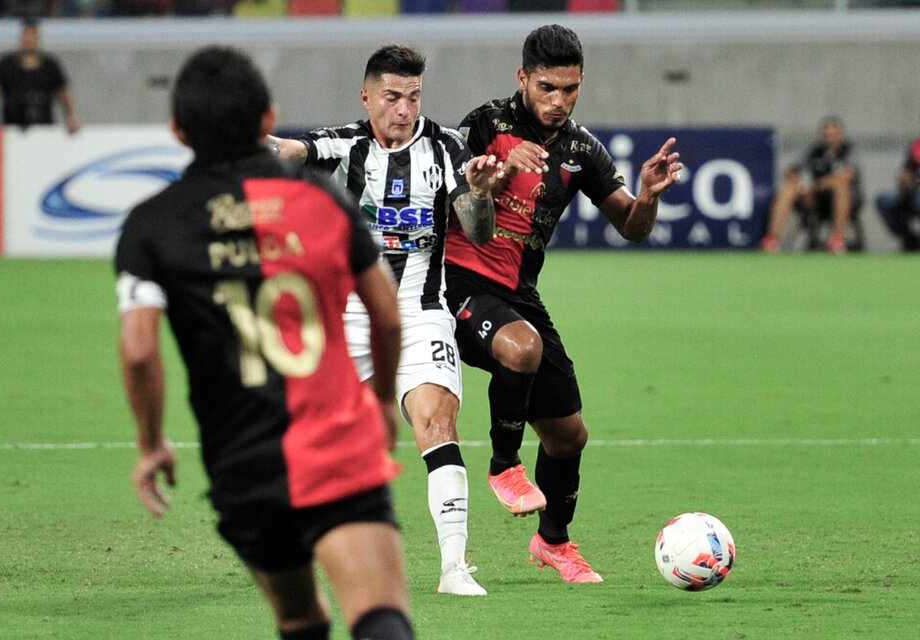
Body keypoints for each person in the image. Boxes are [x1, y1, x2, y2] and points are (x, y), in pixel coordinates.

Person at [115, 46, 415, 640]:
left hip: (243, 462)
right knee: (379, 616)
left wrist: (151, 442)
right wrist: (381, 400)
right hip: (336, 445)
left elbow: (139, 347)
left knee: (300, 619)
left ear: (178, 130)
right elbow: (386, 314)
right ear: (268, 119)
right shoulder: (323, 198)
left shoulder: (153, 223)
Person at [443, 24, 681, 584]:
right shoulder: (483, 126)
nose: (558, 101)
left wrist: (645, 196)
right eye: (547, 87)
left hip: (518, 292)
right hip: (457, 282)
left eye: (570, 90)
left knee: (569, 434)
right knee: (521, 349)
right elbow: (452, 207)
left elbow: (631, 227)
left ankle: (553, 541)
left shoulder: (581, 149)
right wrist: (489, 181)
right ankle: (504, 466)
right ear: (522, 78)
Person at [268, 44, 501, 596]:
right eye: (392, 96)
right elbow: (293, 150)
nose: (404, 108)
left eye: (414, 96)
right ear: (367, 96)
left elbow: (481, 231)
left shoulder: (448, 149)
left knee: (436, 421)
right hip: (347, 315)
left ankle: (453, 568)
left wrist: (483, 192)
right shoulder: (345, 144)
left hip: (420, 312)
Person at [760, 116, 861, 254]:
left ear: (841, 134)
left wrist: (816, 185)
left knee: (841, 186)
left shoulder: (849, 151)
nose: (830, 137)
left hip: (840, 198)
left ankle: (837, 239)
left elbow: (847, 175)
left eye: (834, 134)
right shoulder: (814, 150)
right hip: (814, 197)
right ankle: (772, 239)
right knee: (788, 188)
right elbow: (791, 171)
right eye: (827, 134)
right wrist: (800, 184)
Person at [0, 18, 80, 136]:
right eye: (26, 34)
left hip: (44, 131)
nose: (29, 39)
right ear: (21, 36)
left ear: (38, 37)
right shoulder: (5, 64)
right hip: (12, 131)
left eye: (33, 34)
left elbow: (64, 94)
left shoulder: (51, 65)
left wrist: (71, 117)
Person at [875, 102, 920, 252]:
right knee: (885, 200)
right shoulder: (918, 145)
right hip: (917, 190)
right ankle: (911, 240)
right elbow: (908, 171)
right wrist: (904, 179)